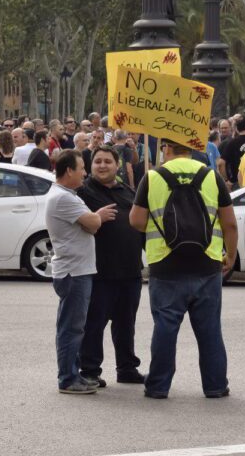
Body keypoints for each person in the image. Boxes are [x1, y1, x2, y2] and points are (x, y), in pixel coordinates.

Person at [129, 139, 237, 399]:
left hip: (165, 265)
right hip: (207, 263)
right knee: (210, 329)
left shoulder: (153, 176)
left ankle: (158, 386)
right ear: (192, 147)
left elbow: (136, 220)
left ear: (166, 147)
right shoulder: (212, 176)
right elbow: (230, 223)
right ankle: (215, 386)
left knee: (165, 327)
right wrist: (230, 256)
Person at [46, 149, 117, 394]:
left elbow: (89, 226)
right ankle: (67, 378)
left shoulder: (67, 195)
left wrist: (91, 219)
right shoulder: (63, 197)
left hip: (77, 270)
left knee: (76, 326)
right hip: (73, 272)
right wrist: (96, 216)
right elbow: (93, 224)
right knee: (71, 328)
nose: (85, 173)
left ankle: (73, 373)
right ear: (68, 171)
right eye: (81, 169)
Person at [77, 146, 145, 388]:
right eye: (97, 162)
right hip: (99, 272)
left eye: (107, 161)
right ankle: (90, 370)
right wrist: (95, 217)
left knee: (126, 323)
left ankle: (127, 368)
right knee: (95, 324)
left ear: (117, 166)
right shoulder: (83, 192)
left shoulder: (128, 191)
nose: (102, 165)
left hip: (130, 270)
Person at [218, 116, 245, 190]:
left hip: (237, 182)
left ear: (237, 128)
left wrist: (226, 181)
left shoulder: (231, 143)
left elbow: (221, 163)